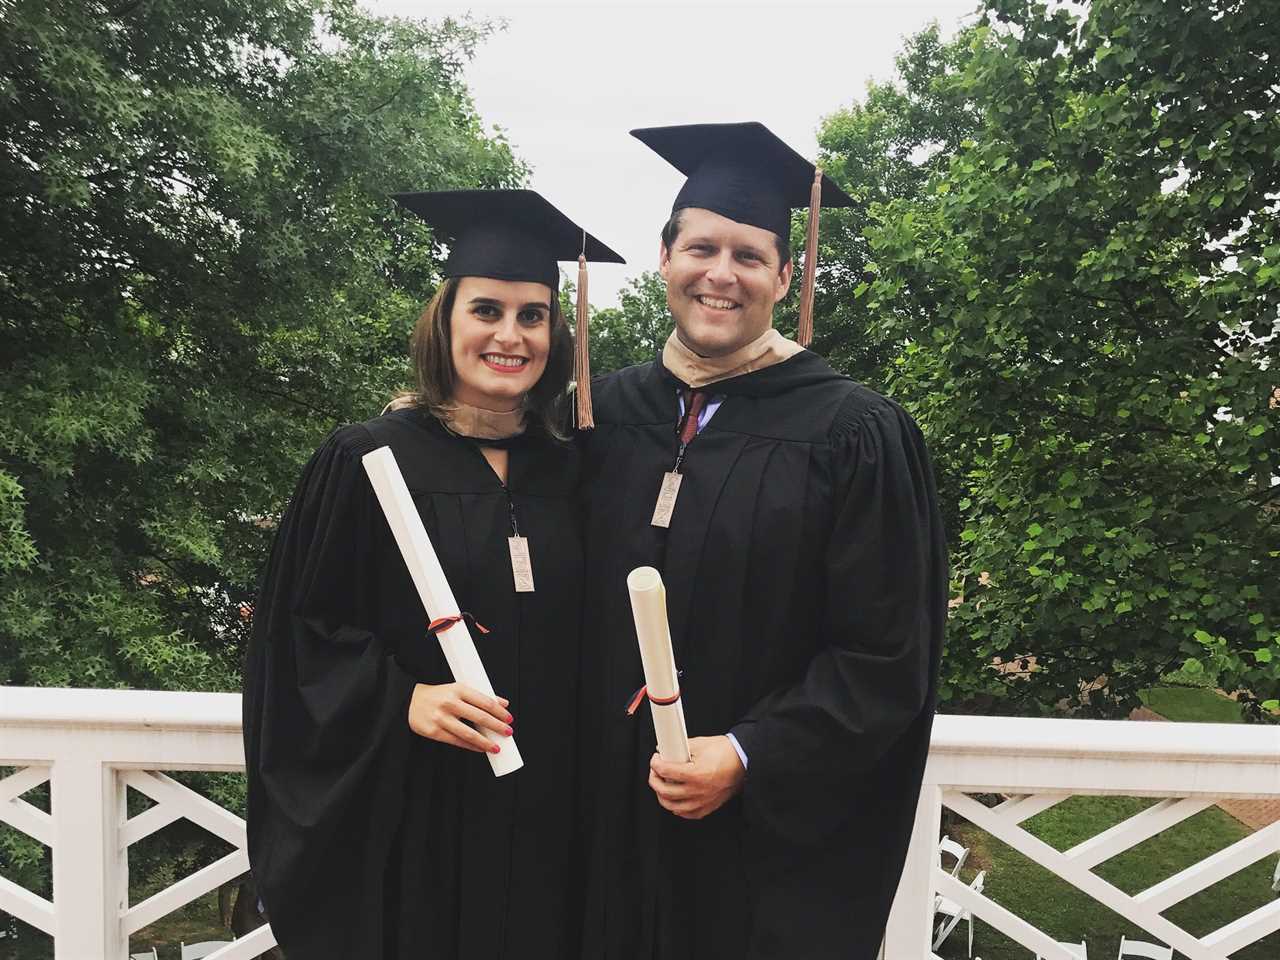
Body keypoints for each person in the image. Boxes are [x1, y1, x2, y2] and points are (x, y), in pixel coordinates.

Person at [576, 123, 947, 960]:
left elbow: (886, 654)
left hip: (760, 848)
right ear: (665, 258)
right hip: (601, 819)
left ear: (787, 275)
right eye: (702, 247)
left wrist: (750, 755)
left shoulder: (855, 432)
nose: (721, 273)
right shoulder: (603, 413)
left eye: (749, 255)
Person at [243, 189, 624, 958]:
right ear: (445, 320)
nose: (510, 335)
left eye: (533, 315)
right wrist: (401, 699)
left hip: (553, 810)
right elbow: (296, 638)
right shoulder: (366, 459)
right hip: (418, 808)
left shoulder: (575, 471)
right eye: (486, 310)